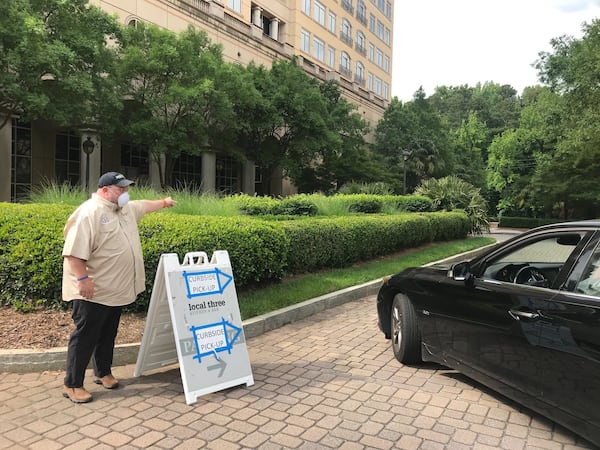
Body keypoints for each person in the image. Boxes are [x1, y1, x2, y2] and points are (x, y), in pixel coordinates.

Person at [61, 171, 176, 403]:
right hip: (92, 290)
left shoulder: (124, 210)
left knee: (107, 333)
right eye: (120, 189)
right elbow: (73, 253)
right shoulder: (89, 213)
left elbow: (143, 205)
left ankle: (103, 372)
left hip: (115, 290)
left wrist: (164, 203)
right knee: (85, 337)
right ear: (105, 190)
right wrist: (83, 280)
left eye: (126, 189)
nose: (125, 193)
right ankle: (72, 384)